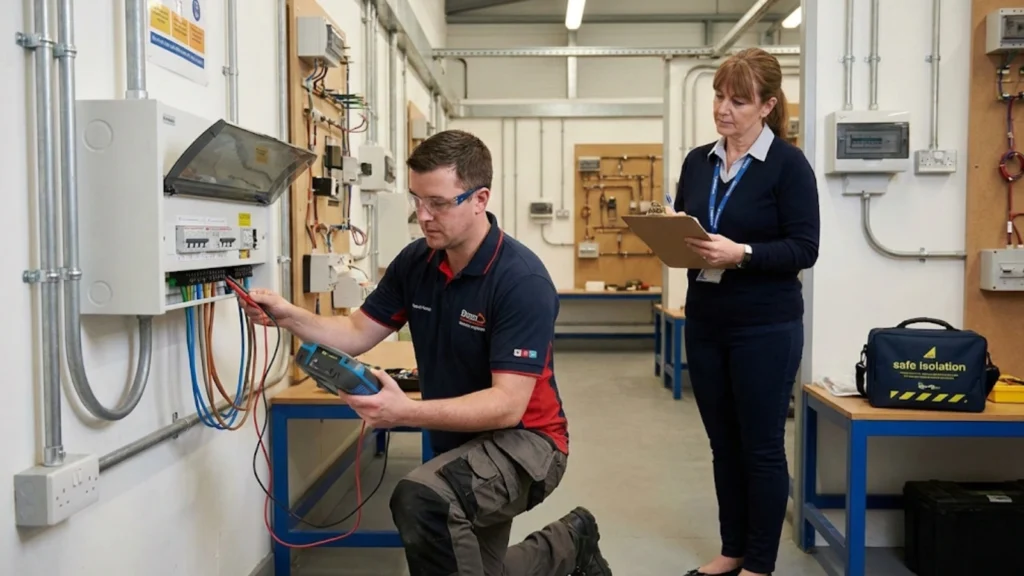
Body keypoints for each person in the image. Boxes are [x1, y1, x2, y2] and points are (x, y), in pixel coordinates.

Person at [240, 130, 612, 576]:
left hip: (529, 444)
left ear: (480, 199)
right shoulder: (417, 262)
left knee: (422, 499)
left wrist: (404, 412)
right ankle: (572, 542)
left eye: (438, 203)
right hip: (461, 442)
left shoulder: (521, 281)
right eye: (416, 200)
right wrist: (288, 316)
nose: (423, 215)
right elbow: (358, 331)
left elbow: (507, 406)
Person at [673, 48, 820, 576]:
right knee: (723, 444)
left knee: (760, 447)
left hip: (766, 326)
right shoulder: (698, 162)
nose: (723, 109)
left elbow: (804, 249)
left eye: (738, 100)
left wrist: (745, 254)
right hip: (707, 319)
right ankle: (731, 549)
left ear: (768, 106)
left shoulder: (788, 165)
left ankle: (759, 562)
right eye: (718, 96)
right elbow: (694, 228)